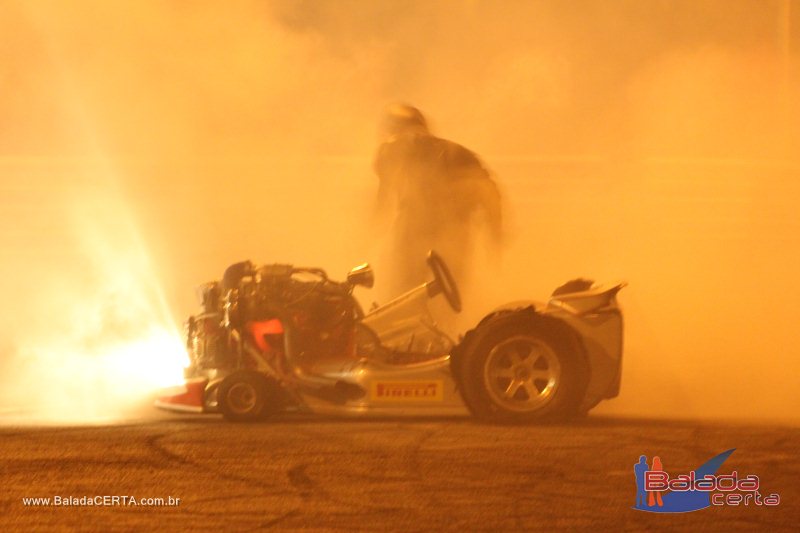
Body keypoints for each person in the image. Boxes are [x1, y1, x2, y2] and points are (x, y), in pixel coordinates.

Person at [373, 103, 502, 293]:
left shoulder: (393, 149)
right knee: (447, 299)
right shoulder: (461, 154)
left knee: (402, 299)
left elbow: (382, 202)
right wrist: (494, 236)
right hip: (453, 238)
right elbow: (490, 193)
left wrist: (367, 234)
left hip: (416, 233)